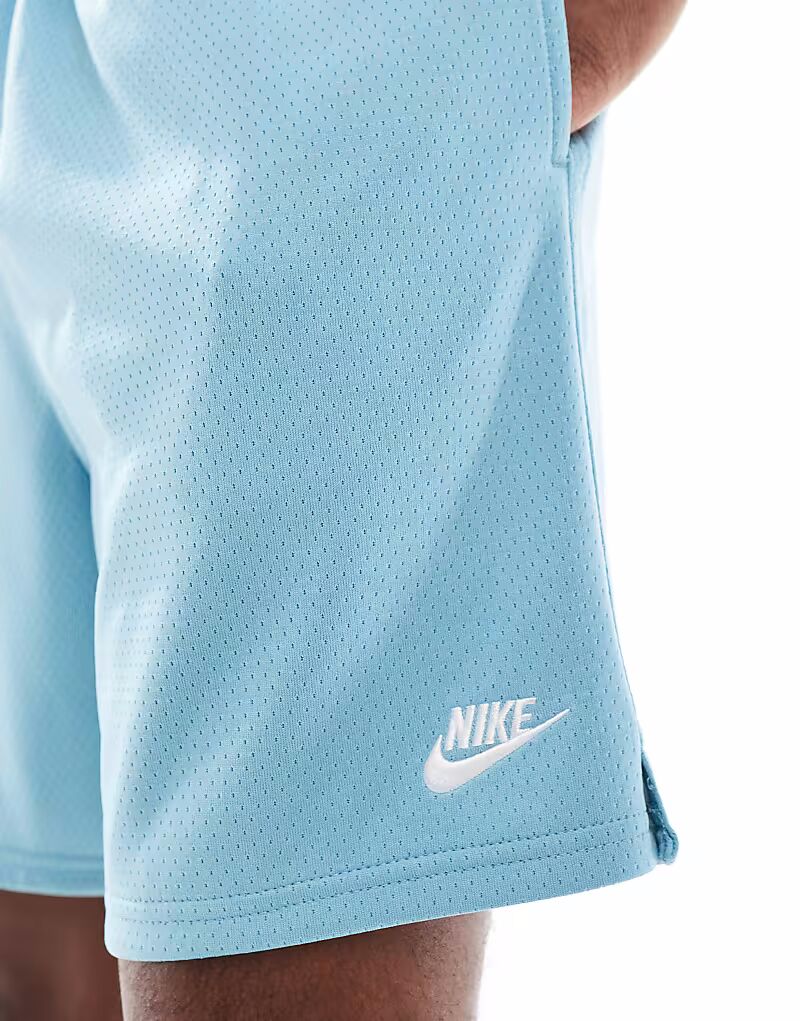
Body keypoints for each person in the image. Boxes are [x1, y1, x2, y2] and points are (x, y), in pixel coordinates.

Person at [0, 1, 684, 1018]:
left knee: (256, 964)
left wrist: (514, 56)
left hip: (320, 92)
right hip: (37, 67)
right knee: (38, 958)